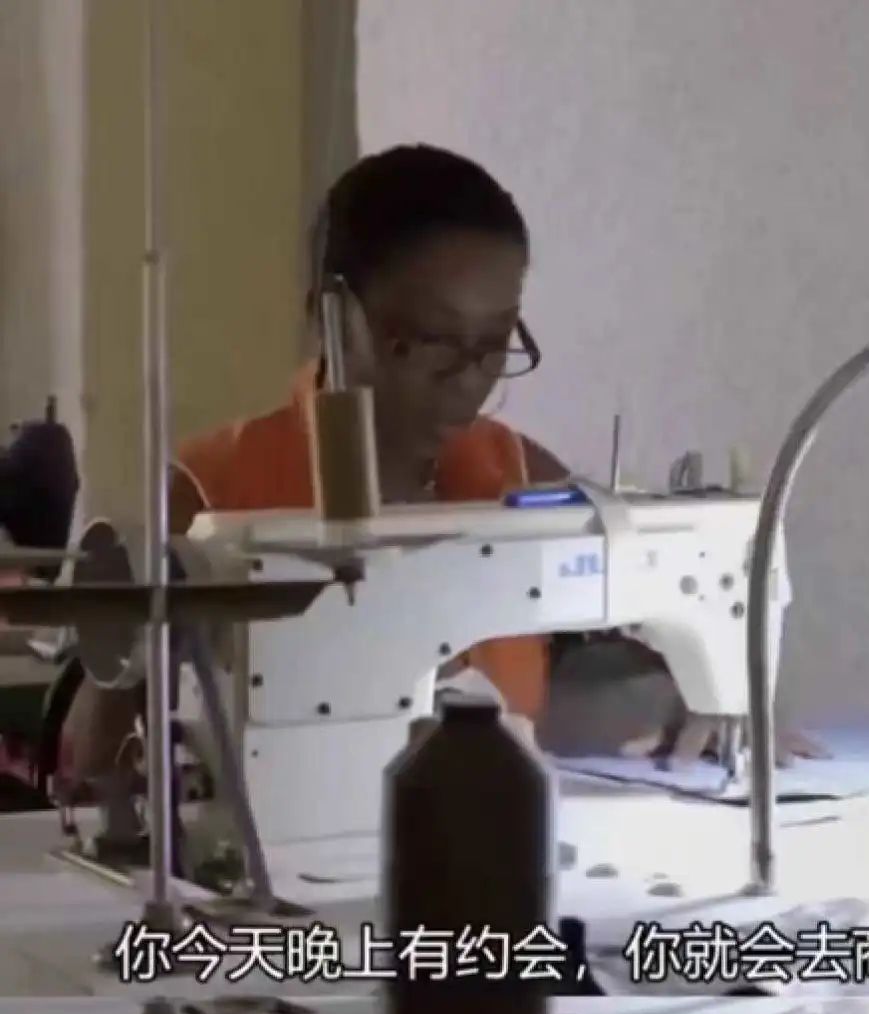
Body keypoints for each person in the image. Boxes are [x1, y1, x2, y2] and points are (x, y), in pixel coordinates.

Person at [61, 143, 820, 790]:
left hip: (484, 856)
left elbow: (578, 683)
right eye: (429, 340)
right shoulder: (209, 495)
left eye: (494, 343)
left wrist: (698, 700)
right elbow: (91, 767)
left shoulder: (522, 476)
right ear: (332, 316)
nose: (468, 378)